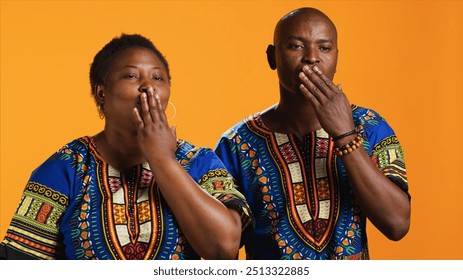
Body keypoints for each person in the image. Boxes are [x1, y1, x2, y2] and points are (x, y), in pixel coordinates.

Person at [0, 34, 252, 260]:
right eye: (132, 76)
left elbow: (224, 249)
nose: (148, 86)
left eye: (157, 77)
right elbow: (18, 266)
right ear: (101, 93)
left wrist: (162, 159)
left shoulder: (198, 162)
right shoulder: (65, 168)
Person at [214, 7, 410, 260]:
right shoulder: (236, 143)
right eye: (296, 46)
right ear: (272, 57)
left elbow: (397, 224)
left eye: (324, 48)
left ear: (337, 58)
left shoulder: (369, 126)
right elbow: (219, 247)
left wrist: (345, 135)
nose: (312, 58)